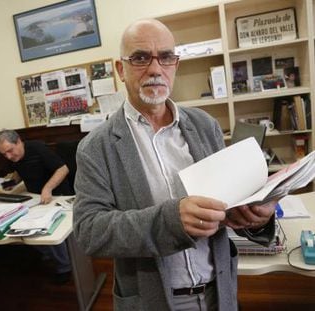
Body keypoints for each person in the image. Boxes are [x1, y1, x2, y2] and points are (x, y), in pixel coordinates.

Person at [73, 19, 276, 311]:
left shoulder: (205, 125)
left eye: (166, 57)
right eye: (141, 58)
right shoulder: (96, 147)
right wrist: (170, 221)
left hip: (219, 292)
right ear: (121, 69)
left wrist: (255, 216)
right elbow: (89, 231)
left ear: (175, 65)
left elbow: (230, 200)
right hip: (153, 300)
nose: (156, 69)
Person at [0, 129, 72, 283]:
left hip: (56, 196)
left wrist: (47, 188)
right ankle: (50, 253)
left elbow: (63, 169)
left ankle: (65, 267)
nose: (8, 156)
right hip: (35, 198)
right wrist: (9, 184)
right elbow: (20, 171)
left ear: (19, 141)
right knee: (21, 226)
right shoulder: (14, 157)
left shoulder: (37, 148)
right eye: (4, 154)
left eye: (10, 151)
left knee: (48, 227)